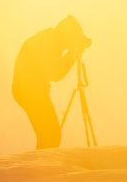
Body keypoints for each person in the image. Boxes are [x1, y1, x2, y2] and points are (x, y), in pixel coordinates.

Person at [12, 15, 92, 149]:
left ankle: (40, 165)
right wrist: (73, 53)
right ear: (67, 35)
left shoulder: (49, 39)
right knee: (51, 135)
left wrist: (74, 51)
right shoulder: (48, 42)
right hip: (30, 91)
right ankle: (40, 167)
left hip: (28, 90)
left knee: (48, 135)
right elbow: (56, 74)